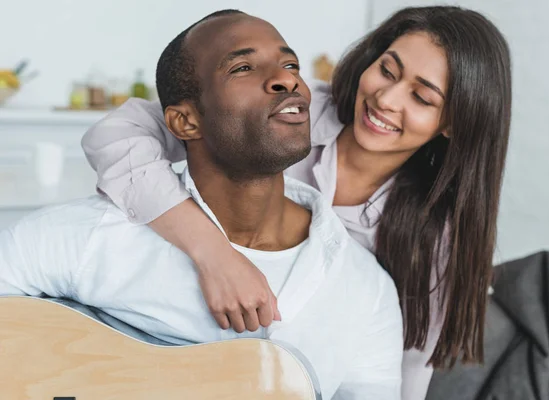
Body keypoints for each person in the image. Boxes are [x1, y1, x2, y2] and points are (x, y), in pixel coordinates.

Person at [82, 5, 512, 399]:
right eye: (387, 70)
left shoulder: (436, 239)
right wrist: (211, 251)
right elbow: (116, 135)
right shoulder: (289, 109)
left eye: (422, 97)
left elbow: (403, 372)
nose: (387, 99)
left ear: (454, 124)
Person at [0, 10, 404, 400]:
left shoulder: (366, 291)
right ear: (185, 123)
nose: (286, 79)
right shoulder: (97, 237)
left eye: (292, 65)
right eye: (243, 68)